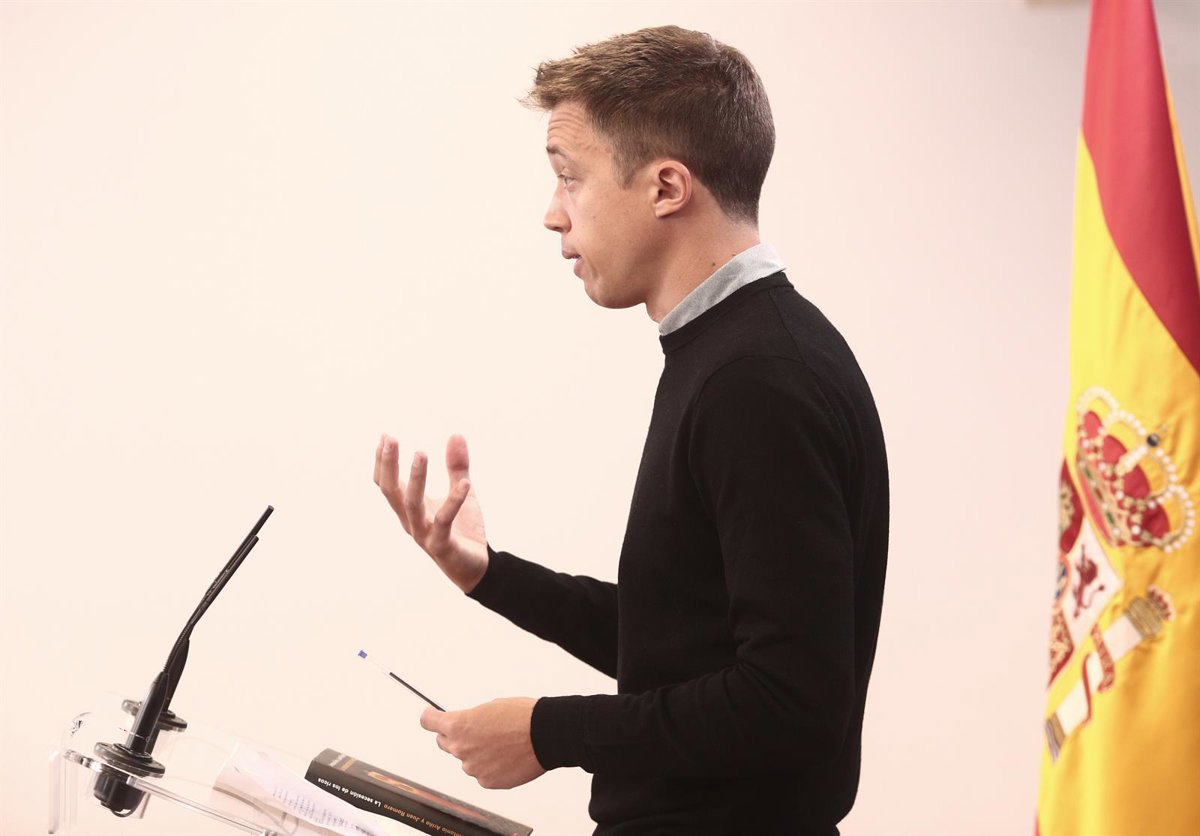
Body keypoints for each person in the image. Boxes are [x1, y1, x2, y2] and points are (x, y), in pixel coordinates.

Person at [373, 25, 888, 835]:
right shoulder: (732, 352)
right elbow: (683, 645)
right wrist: (489, 575)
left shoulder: (756, 380)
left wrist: (548, 731)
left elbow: (791, 703)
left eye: (568, 178)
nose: (552, 215)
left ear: (666, 187)